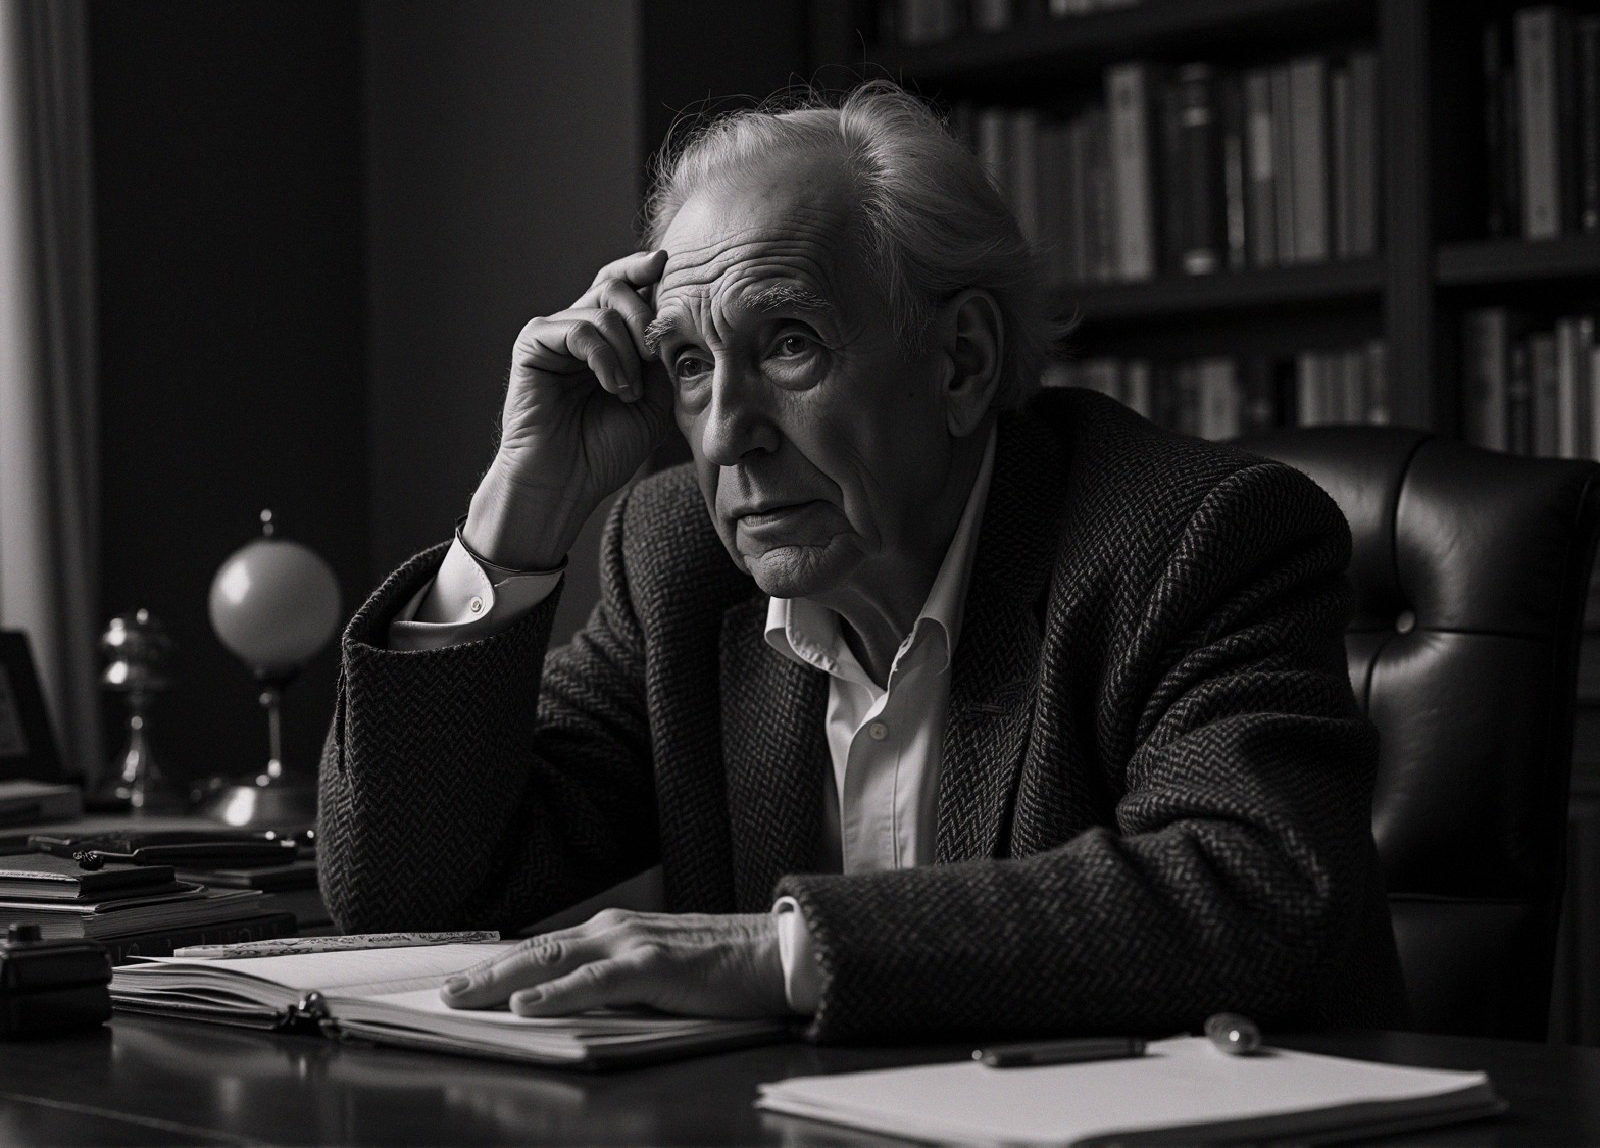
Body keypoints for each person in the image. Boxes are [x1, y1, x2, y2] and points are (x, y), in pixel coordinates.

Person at [317, 81, 1407, 1041]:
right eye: (688, 363)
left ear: (960, 361)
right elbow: (404, 887)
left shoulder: (1192, 540)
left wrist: (780, 955)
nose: (725, 432)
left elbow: (1259, 892)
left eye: (788, 343)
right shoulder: (678, 561)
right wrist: (516, 511)